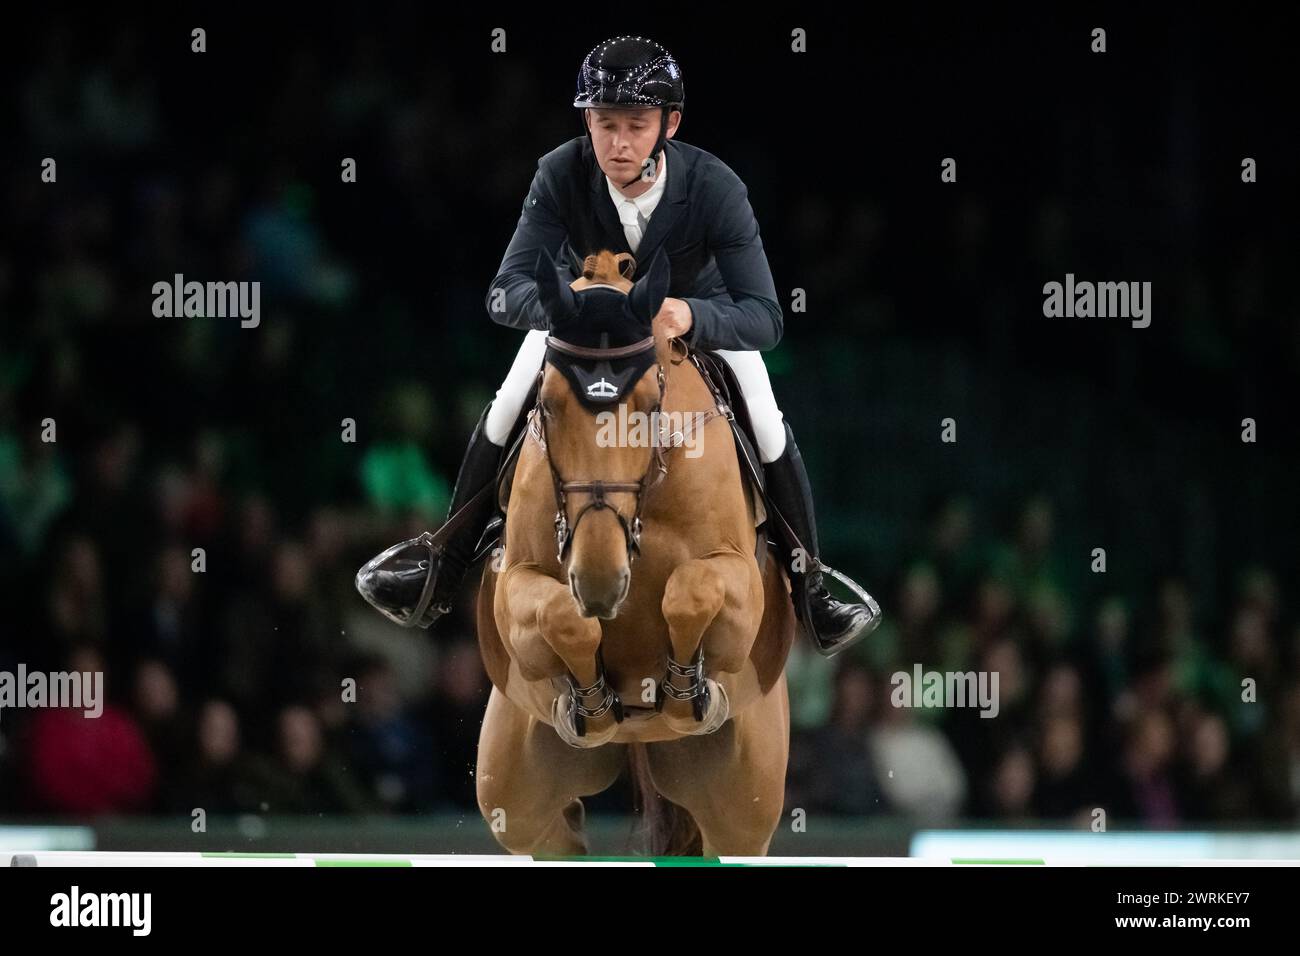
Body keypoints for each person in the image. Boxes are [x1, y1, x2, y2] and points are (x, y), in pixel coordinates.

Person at [358, 36, 879, 656]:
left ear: (670, 123)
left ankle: (809, 585)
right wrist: (571, 301)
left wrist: (690, 312)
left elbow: (765, 316)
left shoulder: (714, 186)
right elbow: (504, 293)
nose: (620, 142)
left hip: (691, 321)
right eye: (606, 124)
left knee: (765, 418)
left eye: (636, 124)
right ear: (588, 121)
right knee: (506, 403)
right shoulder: (559, 172)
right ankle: (442, 565)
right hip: (586, 327)